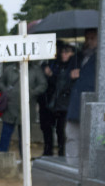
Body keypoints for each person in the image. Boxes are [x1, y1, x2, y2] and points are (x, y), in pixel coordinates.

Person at [0, 61, 47, 154]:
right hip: (10, 107)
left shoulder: (36, 70)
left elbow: (43, 84)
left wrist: (32, 92)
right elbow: (0, 82)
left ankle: (24, 156)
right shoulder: (9, 69)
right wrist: (6, 91)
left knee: (25, 137)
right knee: (5, 134)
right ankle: (1, 155)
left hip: (27, 107)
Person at [66, 28, 99, 161]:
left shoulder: (100, 58)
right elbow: (63, 80)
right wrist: (70, 75)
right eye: (87, 38)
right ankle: (72, 166)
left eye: (92, 38)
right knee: (72, 138)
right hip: (75, 105)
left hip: (93, 106)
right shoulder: (77, 58)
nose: (89, 41)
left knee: (92, 142)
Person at [41, 42, 77, 156]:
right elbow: (55, 83)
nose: (64, 54)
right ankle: (51, 151)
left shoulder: (74, 66)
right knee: (52, 128)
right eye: (62, 52)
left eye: (67, 52)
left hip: (66, 103)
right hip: (55, 102)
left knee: (62, 130)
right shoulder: (57, 65)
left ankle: (62, 152)